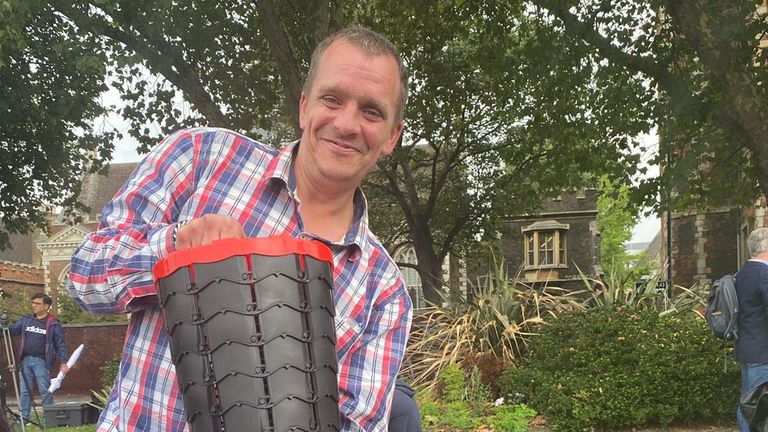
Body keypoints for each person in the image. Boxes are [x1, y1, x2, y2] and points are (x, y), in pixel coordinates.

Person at [68, 25, 412, 431]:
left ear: (392, 136)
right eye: (332, 99)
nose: (347, 123)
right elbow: (84, 276)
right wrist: (173, 247)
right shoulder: (200, 157)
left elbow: (356, 424)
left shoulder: (384, 292)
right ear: (304, 106)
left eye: (371, 110)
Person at [8, 293, 69, 424]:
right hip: (25, 360)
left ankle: (49, 420)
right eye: (33, 303)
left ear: (46, 306)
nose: (33, 306)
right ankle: (24, 420)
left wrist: (63, 362)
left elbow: (60, 344)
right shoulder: (26, 320)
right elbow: (12, 331)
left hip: (41, 362)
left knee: (45, 390)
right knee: (25, 391)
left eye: (37, 303)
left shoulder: (53, 324)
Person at [735, 228, 768, 432]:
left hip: (747, 348)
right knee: (756, 406)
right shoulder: (764, 273)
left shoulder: (742, 273)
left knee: (749, 402)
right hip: (763, 350)